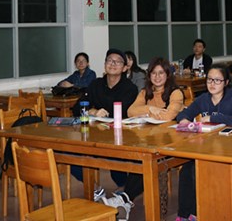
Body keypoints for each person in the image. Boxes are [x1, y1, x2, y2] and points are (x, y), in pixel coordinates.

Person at [106, 58, 185, 215]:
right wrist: (150, 108)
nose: (157, 77)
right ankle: (126, 200)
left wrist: (145, 112)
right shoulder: (145, 92)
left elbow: (168, 116)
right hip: (150, 141)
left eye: (161, 73)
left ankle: (125, 199)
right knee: (142, 157)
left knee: (146, 160)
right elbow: (130, 111)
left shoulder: (175, 93)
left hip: (171, 143)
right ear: (149, 76)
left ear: (168, 75)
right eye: (153, 73)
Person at [175, 65, 232, 221]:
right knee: (187, 170)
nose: (212, 84)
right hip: (205, 148)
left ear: (226, 82)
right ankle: (183, 215)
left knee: (197, 171)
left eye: (217, 80)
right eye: (209, 80)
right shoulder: (203, 99)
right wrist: (184, 119)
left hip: (228, 149)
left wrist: (213, 118)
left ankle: (196, 213)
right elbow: (184, 113)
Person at [71, 49, 139, 198]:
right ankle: (95, 188)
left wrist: (100, 111)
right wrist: (92, 111)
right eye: (109, 60)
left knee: (116, 157)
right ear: (104, 64)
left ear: (125, 68)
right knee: (69, 153)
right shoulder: (96, 84)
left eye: (118, 62)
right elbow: (76, 108)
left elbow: (120, 112)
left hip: (120, 137)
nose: (113, 64)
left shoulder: (130, 88)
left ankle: (124, 186)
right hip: (94, 136)